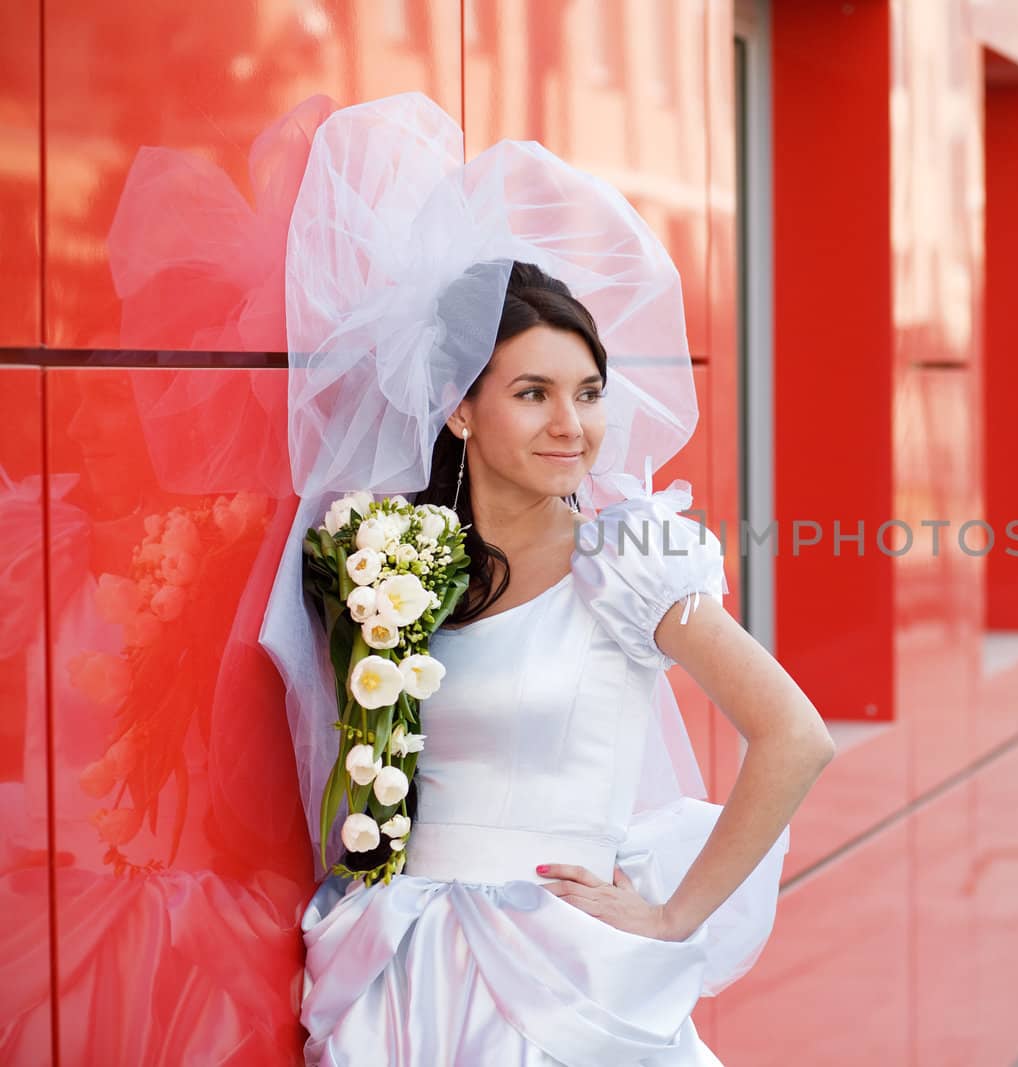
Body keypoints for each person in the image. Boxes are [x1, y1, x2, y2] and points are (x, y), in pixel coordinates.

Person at [259, 94, 834, 1065]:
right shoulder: (397, 565)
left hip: (563, 969)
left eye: (589, 391)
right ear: (460, 412)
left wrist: (672, 913)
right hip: (405, 963)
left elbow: (796, 735)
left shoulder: (632, 563)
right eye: (533, 393)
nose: (573, 423)